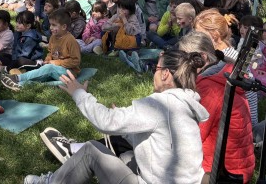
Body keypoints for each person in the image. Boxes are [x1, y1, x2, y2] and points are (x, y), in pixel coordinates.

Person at [27, 49, 209, 184]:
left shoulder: (161, 104)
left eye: (156, 68)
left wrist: (78, 93)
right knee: (127, 157)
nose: (154, 72)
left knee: (91, 150)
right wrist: (125, 124)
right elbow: (154, 142)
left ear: (165, 74)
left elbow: (105, 122)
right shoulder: (187, 106)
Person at [179, 32, 255, 183]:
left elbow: (194, 137)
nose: (182, 66)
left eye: (185, 60)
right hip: (239, 168)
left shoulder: (210, 87)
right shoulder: (225, 75)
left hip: (219, 173)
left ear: (202, 57)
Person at [0, 8, 81, 91]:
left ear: (64, 27)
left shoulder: (70, 40)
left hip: (70, 72)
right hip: (55, 68)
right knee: (42, 74)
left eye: (54, 25)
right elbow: (51, 52)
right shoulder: (53, 37)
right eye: (50, 24)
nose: (51, 27)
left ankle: (17, 78)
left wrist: (56, 63)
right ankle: (20, 84)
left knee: (49, 68)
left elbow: (75, 61)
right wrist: (48, 59)